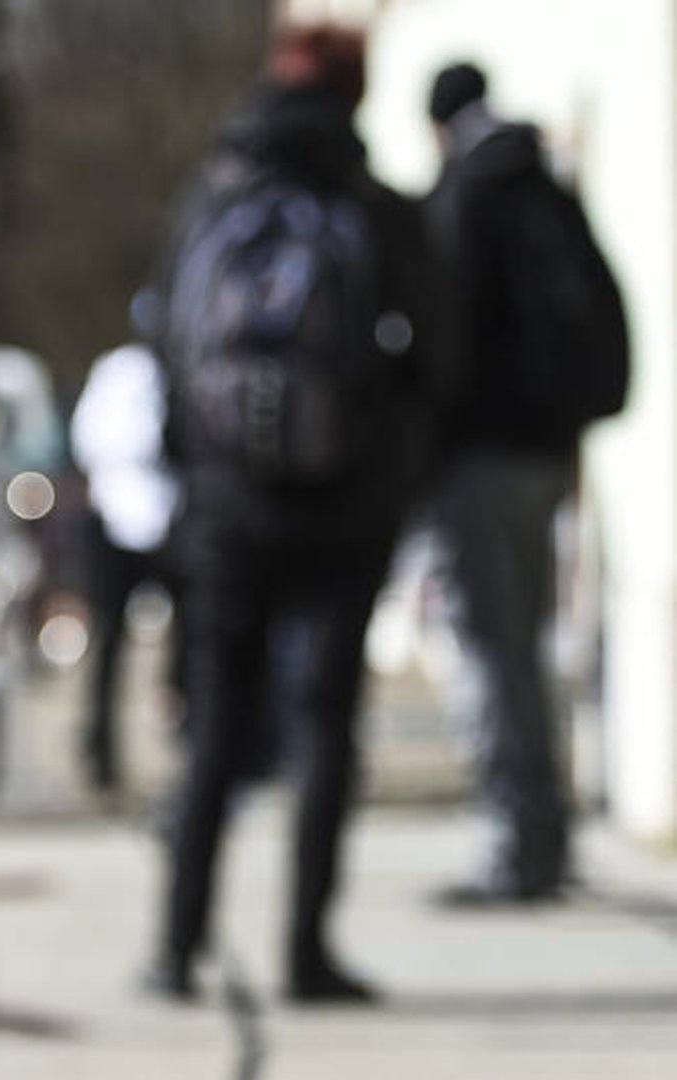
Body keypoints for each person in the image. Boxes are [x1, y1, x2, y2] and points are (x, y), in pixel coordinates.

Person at [144, 23, 452, 1003]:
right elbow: (438, 357)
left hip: (226, 505)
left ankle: (173, 950)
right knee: (324, 725)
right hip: (347, 507)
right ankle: (304, 953)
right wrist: (394, 460)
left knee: (216, 723)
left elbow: (162, 344)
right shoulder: (375, 208)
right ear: (358, 97)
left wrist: (197, 470)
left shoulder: (208, 198)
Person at [424, 62, 628, 904]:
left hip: (480, 455)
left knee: (492, 650)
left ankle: (518, 842)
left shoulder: (466, 194)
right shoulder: (542, 184)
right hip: (550, 452)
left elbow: (442, 331)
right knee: (527, 648)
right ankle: (544, 832)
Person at [69, 291, 181, 793]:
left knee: (190, 647)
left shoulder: (180, 365)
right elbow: (97, 441)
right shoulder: (120, 372)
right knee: (110, 644)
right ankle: (101, 751)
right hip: (121, 520)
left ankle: (183, 739)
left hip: (169, 521)